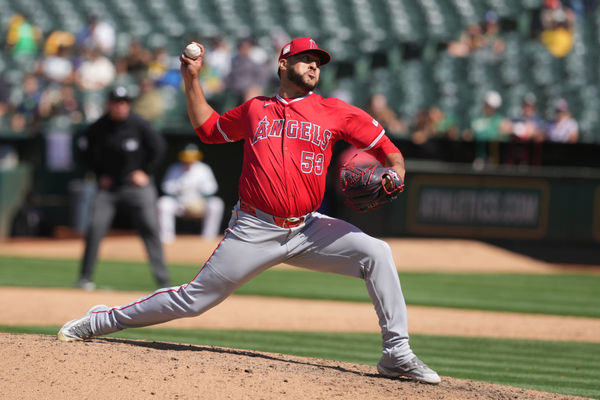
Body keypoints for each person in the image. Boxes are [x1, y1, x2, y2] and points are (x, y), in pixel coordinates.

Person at [58, 38, 441, 385]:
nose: (313, 67)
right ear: (283, 64)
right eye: (305, 59)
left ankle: (396, 353)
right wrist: (191, 78)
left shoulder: (334, 111)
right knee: (192, 301)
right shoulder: (256, 109)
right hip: (255, 228)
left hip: (308, 229)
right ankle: (101, 320)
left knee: (377, 253)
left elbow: (386, 146)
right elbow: (208, 128)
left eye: (317, 62)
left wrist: (396, 172)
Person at [74, 85, 170, 290]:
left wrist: (145, 171)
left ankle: (164, 282)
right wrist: (99, 175)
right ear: (109, 104)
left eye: (124, 102)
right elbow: (83, 153)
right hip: (109, 189)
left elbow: (159, 148)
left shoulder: (139, 124)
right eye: (117, 102)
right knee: (95, 227)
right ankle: (84, 278)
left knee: (151, 228)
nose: (120, 106)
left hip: (137, 188)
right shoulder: (98, 127)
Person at [157, 144, 225, 243]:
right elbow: (166, 188)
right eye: (187, 157)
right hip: (180, 204)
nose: (189, 160)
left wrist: (201, 199)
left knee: (216, 204)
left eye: (192, 157)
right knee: (163, 203)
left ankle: (209, 237)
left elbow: (212, 188)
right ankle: (166, 238)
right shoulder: (175, 168)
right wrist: (180, 189)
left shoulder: (203, 169)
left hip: (198, 204)